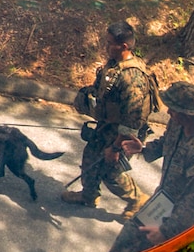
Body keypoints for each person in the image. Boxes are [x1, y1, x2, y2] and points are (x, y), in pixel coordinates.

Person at [104, 81, 194, 252]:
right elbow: (166, 143)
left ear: (187, 114)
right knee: (126, 240)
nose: (168, 112)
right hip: (162, 202)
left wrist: (166, 232)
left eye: (172, 109)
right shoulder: (177, 124)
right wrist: (143, 149)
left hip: (182, 218)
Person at [63, 20, 158, 219]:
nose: (105, 47)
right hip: (107, 127)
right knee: (90, 156)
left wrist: (115, 148)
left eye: (109, 43)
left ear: (123, 46)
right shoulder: (115, 65)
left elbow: (131, 122)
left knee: (111, 172)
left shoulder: (133, 78)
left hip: (122, 135)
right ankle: (88, 195)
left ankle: (137, 200)